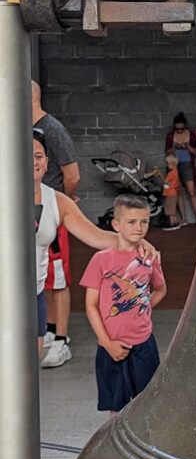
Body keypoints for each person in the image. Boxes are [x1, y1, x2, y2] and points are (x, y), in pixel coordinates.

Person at [32, 131, 159, 358]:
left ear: (47, 162)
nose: (33, 162)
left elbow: (97, 237)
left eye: (38, 156)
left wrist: (137, 239)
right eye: (27, 155)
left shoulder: (58, 201)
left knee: (28, 367)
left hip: (34, 293)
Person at [80, 194, 167, 416]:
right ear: (116, 225)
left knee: (145, 406)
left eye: (144, 221)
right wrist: (107, 343)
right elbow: (91, 305)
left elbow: (160, 289)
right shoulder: (100, 260)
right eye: (131, 222)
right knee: (115, 409)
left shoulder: (150, 258)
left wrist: (142, 307)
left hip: (143, 344)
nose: (139, 228)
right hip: (111, 345)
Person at [32, 81, 81, 368]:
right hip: (32, 212)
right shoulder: (25, 129)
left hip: (51, 212)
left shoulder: (53, 129)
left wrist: (64, 204)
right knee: (43, 276)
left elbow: (72, 174)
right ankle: (49, 330)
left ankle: (61, 339)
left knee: (58, 275)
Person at [165, 112, 196, 226]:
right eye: (177, 129)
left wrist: (187, 146)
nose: (180, 131)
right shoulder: (171, 136)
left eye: (181, 128)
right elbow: (167, 151)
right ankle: (184, 219)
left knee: (192, 193)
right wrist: (175, 147)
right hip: (175, 166)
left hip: (187, 165)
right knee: (179, 193)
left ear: (185, 126)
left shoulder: (190, 134)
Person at [161, 154, 182, 230]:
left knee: (170, 209)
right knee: (173, 209)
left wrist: (160, 175)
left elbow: (165, 181)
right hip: (174, 192)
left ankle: (172, 224)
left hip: (170, 193)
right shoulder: (176, 172)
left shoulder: (171, 173)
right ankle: (175, 223)